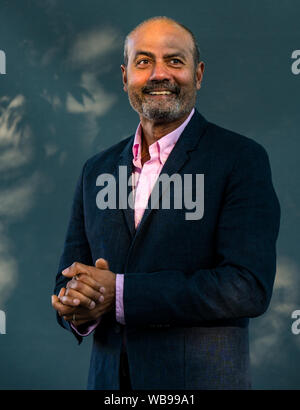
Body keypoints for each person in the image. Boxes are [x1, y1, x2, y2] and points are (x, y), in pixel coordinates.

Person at [51, 16, 280, 390]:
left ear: (199, 74)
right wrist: (76, 305)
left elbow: (247, 286)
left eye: (175, 61)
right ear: (125, 77)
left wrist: (120, 293)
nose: (160, 74)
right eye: (144, 62)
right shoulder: (96, 170)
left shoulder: (241, 159)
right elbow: (70, 276)